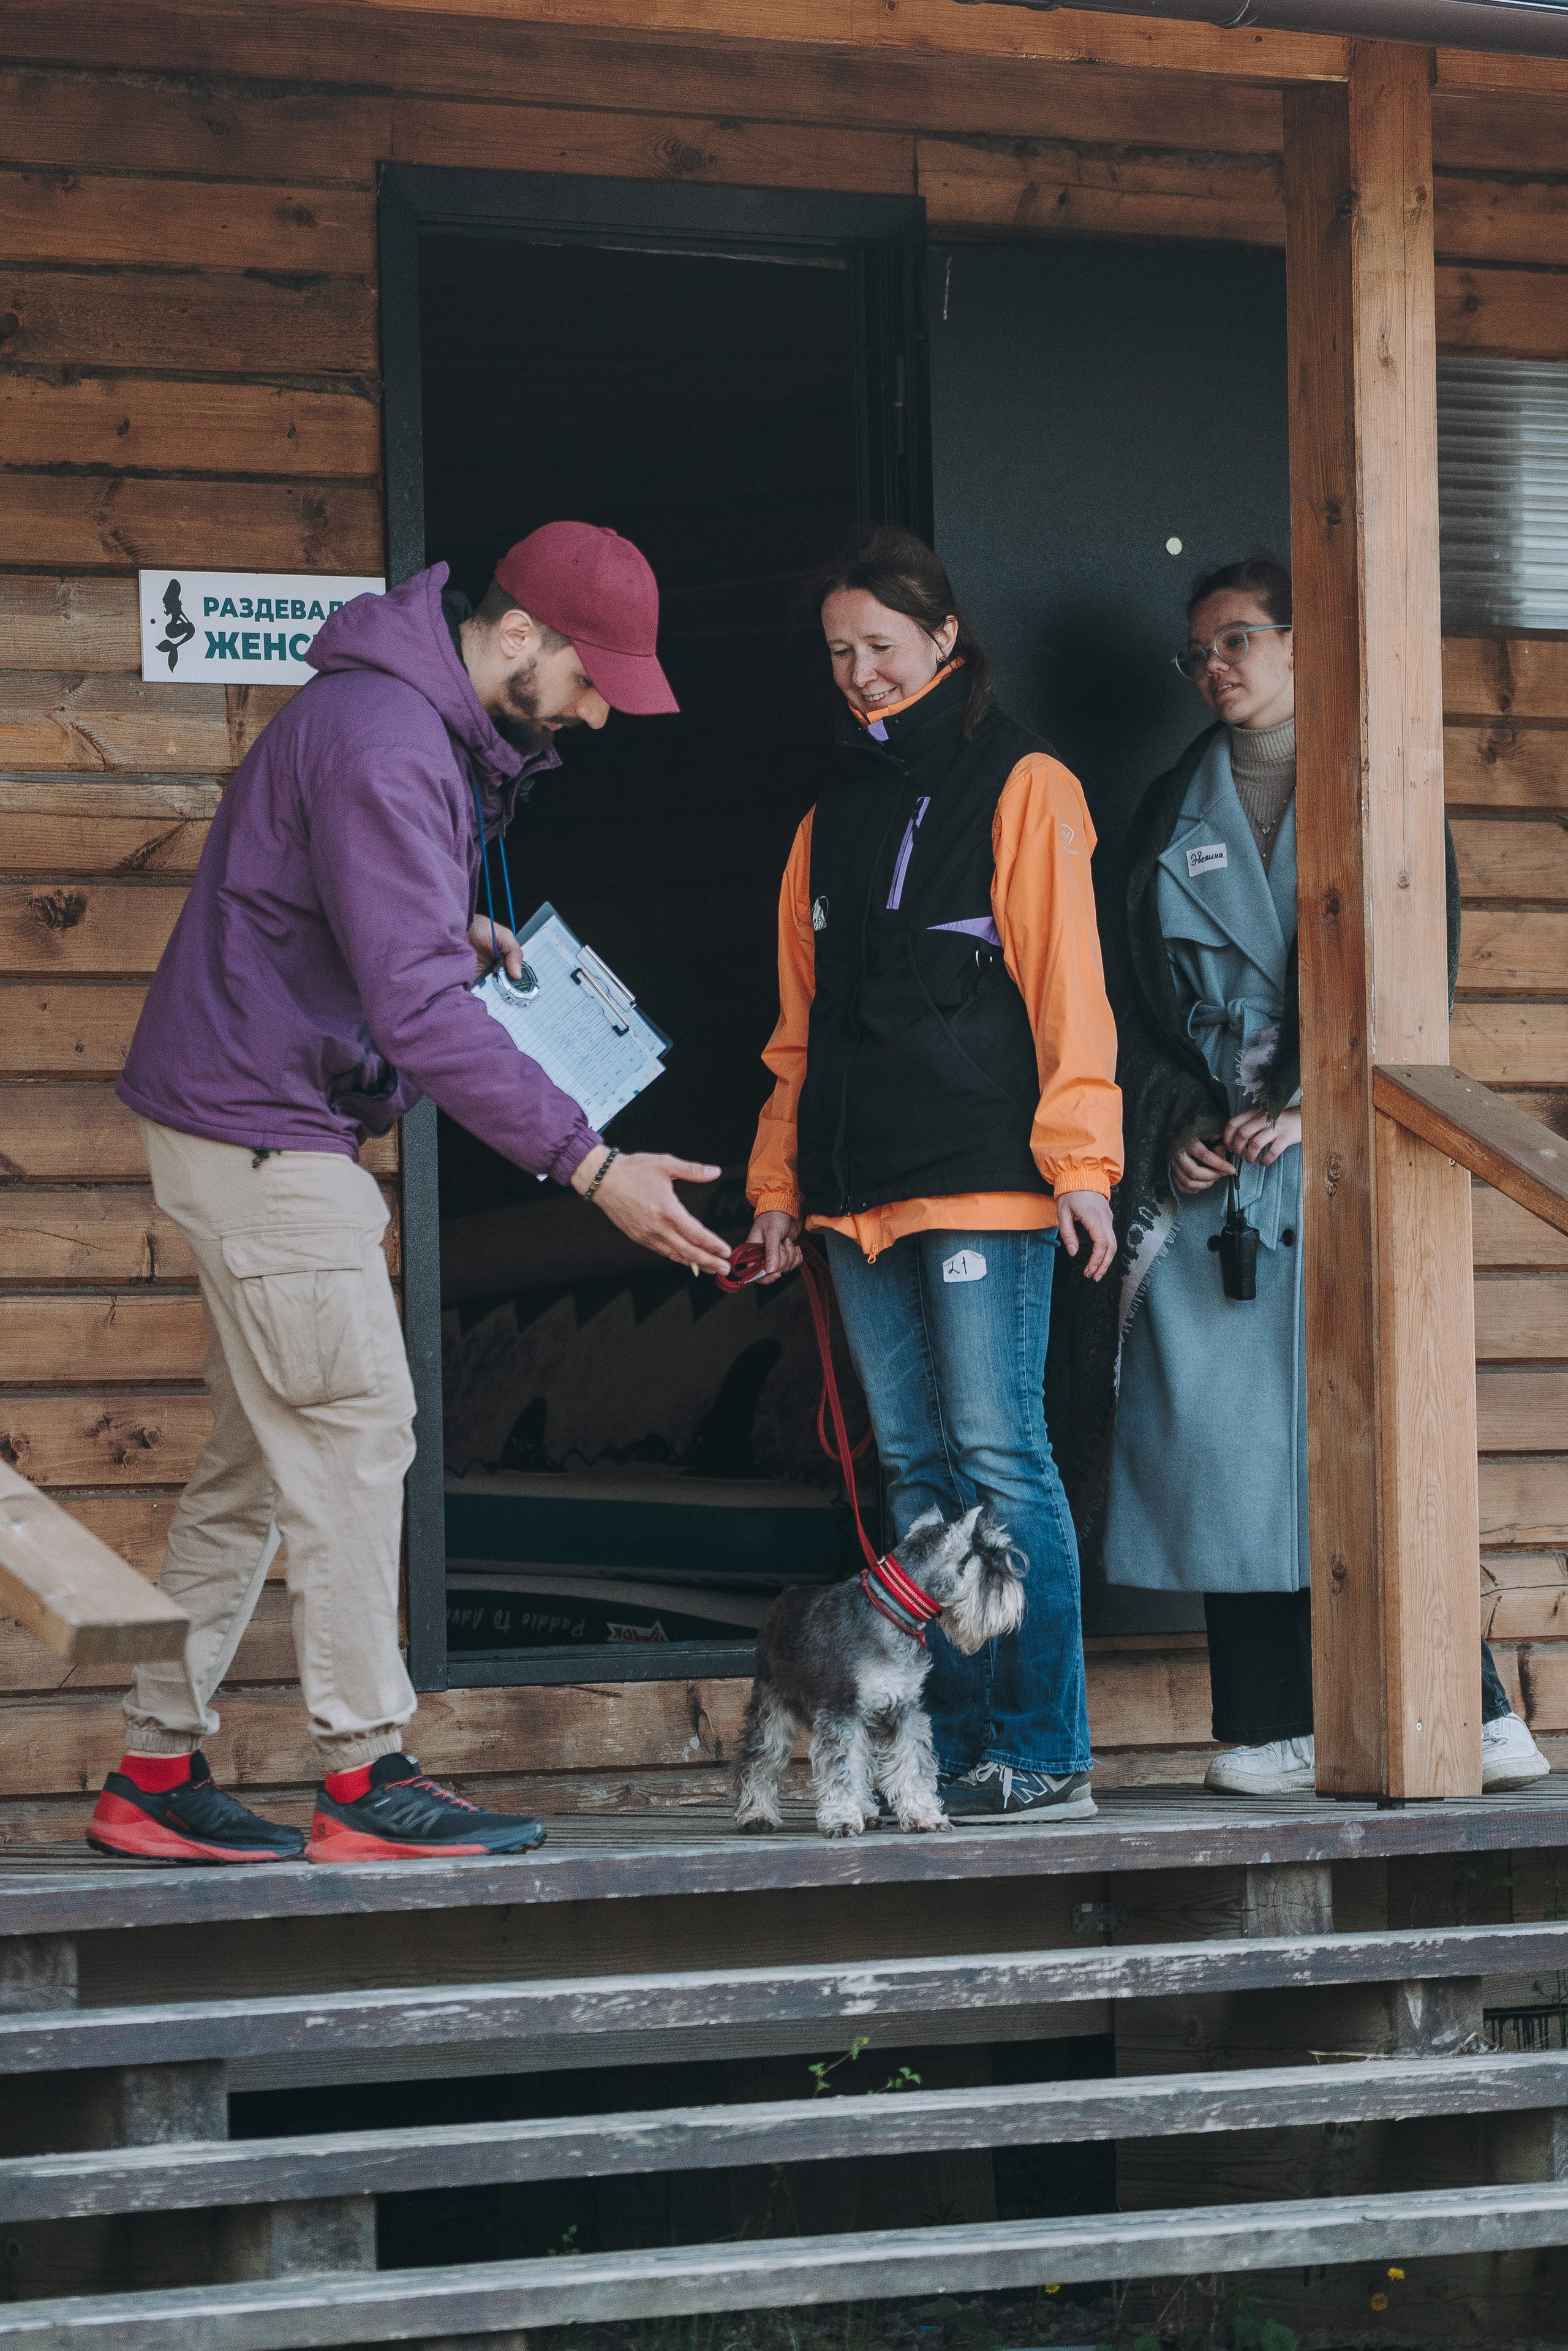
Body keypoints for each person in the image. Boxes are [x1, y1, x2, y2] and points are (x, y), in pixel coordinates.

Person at [90, 524, 733, 1867]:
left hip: (239, 1115)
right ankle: (364, 1773)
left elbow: (353, 928)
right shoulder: (389, 742)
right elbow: (421, 1016)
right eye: (590, 680)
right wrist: (591, 1166)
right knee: (357, 1429)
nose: (597, 714)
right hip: (267, 1135)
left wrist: (446, 931)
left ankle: (151, 1771)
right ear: (518, 637)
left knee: (256, 1460)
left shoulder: (394, 723)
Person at [1098, 553, 1548, 1796]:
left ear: (1301, 644)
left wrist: (1316, 1110)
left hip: (1344, 1170)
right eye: (1198, 652)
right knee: (1227, 1452)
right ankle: (1266, 1723)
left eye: (1237, 640)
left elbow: (1417, 994)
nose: (1215, 668)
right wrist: (1173, 1124)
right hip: (1217, 1186)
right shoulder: (1165, 809)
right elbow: (1130, 1007)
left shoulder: (1375, 787)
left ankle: (1470, 1704)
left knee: (1374, 1441)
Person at [744, 524, 1123, 1822]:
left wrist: (1083, 1162)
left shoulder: (1024, 781)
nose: (858, 672)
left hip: (981, 1175)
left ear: (945, 638)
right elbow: (796, 1031)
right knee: (912, 1469)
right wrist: (777, 1189)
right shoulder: (826, 815)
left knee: (996, 1454)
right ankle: (944, 1747)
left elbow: (1070, 990)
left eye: (881, 646)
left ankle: (1043, 1745)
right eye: (837, 652)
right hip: (853, 1192)